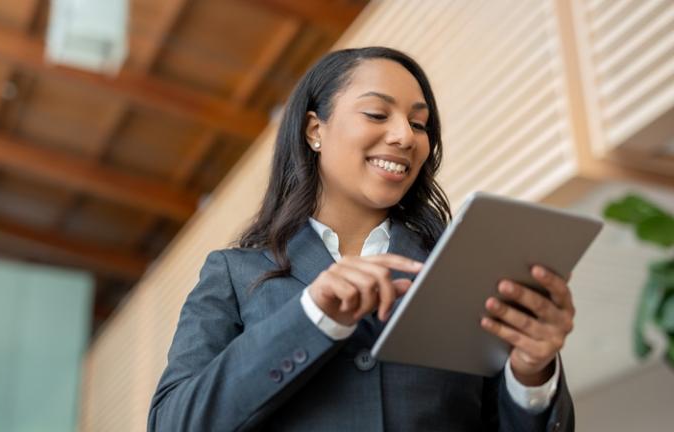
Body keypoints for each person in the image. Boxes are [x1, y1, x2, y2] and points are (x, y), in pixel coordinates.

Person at [148, 46, 575, 431]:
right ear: (315, 130)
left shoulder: (461, 270)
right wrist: (312, 316)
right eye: (376, 114)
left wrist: (532, 373)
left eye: (419, 123)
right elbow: (172, 424)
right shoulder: (235, 273)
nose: (405, 136)